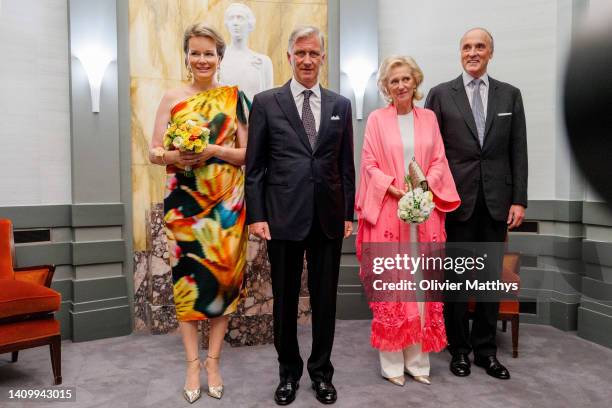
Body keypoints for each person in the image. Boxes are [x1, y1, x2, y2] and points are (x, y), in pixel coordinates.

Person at [245, 26, 355, 406]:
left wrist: (348, 213)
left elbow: (345, 166)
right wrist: (256, 214)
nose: (307, 60)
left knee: (326, 303)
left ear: (323, 58)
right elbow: (255, 166)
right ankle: (287, 374)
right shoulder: (266, 102)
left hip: (328, 220)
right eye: (300, 53)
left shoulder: (341, 105)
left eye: (314, 53)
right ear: (289, 57)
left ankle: (322, 374)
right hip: (282, 218)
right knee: (285, 301)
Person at [149, 23, 250, 403]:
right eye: (195, 52)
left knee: (222, 285)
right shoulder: (172, 98)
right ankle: (192, 363)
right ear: (187, 56)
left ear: (220, 58)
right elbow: (154, 151)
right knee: (188, 287)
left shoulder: (235, 98)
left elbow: (249, 154)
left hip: (226, 208)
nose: (202, 59)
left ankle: (213, 361)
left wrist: (213, 151)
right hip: (186, 206)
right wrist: (178, 155)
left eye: (209, 53)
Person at [425, 27, 528, 380]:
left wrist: (519, 199)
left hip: (497, 201)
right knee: (456, 280)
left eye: (479, 46)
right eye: (467, 46)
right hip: (455, 201)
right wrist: (430, 195)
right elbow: (430, 151)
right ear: (460, 52)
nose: (473, 52)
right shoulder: (440, 95)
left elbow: (519, 150)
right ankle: (459, 350)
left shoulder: (510, 95)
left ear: (490, 53)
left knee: (487, 280)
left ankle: (485, 350)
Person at [355, 56, 460, 386]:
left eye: (406, 79)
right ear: (386, 87)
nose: (400, 85)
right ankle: (392, 365)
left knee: (419, 288)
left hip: (424, 216)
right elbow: (369, 163)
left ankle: (418, 363)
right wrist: (394, 189)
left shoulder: (428, 118)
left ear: (415, 82)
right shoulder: (375, 120)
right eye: (394, 80)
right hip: (389, 212)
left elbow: (440, 160)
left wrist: (425, 186)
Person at [220, 2, 274, 101]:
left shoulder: (263, 62)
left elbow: (269, 101)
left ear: (249, 24)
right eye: (231, 18)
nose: (235, 22)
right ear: (227, 24)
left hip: (255, 115)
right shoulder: (218, 59)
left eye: (240, 18)